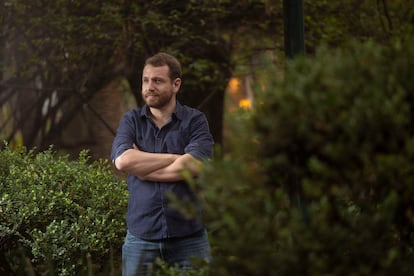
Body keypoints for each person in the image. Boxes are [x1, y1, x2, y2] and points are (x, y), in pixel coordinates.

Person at [111, 52, 214, 275]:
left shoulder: (195, 121)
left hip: (189, 237)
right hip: (141, 236)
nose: (149, 86)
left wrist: (143, 169)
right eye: (145, 80)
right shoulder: (131, 121)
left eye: (157, 80)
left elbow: (195, 166)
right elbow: (123, 161)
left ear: (176, 84)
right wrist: (176, 158)